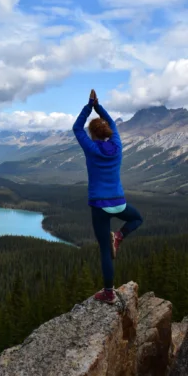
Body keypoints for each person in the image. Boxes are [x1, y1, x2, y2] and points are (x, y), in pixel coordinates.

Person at [72, 89, 143, 304]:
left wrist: (89, 106)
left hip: (99, 205)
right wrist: (99, 107)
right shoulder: (118, 144)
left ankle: (109, 293)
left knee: (105, 249)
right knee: (137, 218)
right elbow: (112, 123)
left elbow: (76, 128)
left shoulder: (91, 148)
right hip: (119, 203)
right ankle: (120, 236)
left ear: (93, 134)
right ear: (109, 133)